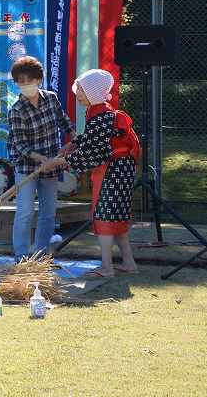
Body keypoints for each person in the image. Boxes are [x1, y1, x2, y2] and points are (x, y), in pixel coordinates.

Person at [47, 69, 140, 278]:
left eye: (81, 89)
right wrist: (72, 143)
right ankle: (128, 262)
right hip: (118, 169)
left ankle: (107, 267)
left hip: (113, 170)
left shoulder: (101, 115)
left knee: (105, 215)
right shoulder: (99, 111)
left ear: (94, 90)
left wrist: (57, 162)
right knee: (116, 215)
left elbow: (93, 151)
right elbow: (91, 138)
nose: (77, 92)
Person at [7, 56, 77, 261]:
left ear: (39, 80)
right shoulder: (16, 109)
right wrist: (41, 159)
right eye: (21, 80)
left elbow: (64, 122)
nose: (25, 84)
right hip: (27, 167)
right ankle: (20, 256)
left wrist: (75, 139)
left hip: (51, 165)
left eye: (30, 80)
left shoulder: (51, 98)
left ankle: (41, 256)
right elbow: (20, 145)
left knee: (48, 213)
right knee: (25, 212)